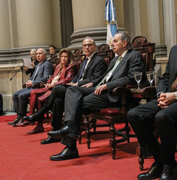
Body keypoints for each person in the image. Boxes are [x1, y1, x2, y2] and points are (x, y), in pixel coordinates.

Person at [127, 6, 177, 180]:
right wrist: (161, 94)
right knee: (134, 114)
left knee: (162, 117)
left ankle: (170, 167)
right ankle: (160, 161)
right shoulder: (176, 49)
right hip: (170, 98)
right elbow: (165, 77)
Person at [47, 31, 144, 161]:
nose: (112, 43)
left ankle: (70, 145)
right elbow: (105, 77)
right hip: (99, 89)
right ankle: (70, 130)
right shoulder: (115, 59)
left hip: (113, 94)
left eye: (115, 41)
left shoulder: (134, 56)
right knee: (72, 90)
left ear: (124, 43)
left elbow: (132, 77)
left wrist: (108, 86)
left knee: (75, 103)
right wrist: (93, 83)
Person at [23, 36, 107, 142]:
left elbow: (96, 78)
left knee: (57, 89)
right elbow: (78, 75)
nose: (87, 47)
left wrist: (77, 83)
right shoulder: (84, 61)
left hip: (86, 89)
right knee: (58, 101)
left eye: (89, 45)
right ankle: (55, 133)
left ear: (94, 47)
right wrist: (74, 82)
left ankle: (40, 114)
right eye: (85, 45)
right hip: (76, 88)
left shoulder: (99, 61)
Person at [20, 48, 77, 134]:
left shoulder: (71, 67)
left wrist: (53, 85)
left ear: (69, 58)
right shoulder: (58, 67)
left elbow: (66, 80)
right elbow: (51, 77)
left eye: (66, 57)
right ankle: (55, 130)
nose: (63, 58)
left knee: (38, 95)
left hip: (60, 89)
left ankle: (38, 115)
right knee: (57, 101)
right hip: (52, 89)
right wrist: (48, 83)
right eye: (62, 56)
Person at [8, 48, 53, 126]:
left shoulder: (47, 64)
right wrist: (29, 81)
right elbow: (33, 76)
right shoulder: (38, 64)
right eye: (37, 54)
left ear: (45, 55)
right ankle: (18, 116)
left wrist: (33, 82)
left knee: (21, 95)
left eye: (40, 54)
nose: (38, 55)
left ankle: (22, 117)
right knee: (15, 94)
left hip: (38, 87)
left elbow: (45, 78)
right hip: (32, 86)